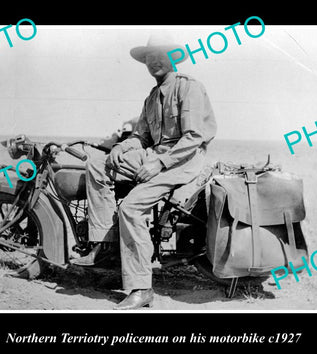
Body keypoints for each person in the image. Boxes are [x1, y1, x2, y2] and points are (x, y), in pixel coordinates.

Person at [72, 34, 217, 310]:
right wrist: (122, 147)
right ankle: (105, 245)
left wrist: (158, 164)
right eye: (150, 57)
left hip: (182, 161)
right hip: (156, 157)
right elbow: (142, 136)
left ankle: (142, 288)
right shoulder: (152, 98)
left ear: (174, 58)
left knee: (131, 208)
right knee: (97, 164)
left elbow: (194, 136)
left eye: (160, 55)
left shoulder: (189, 88)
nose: (154, 61)